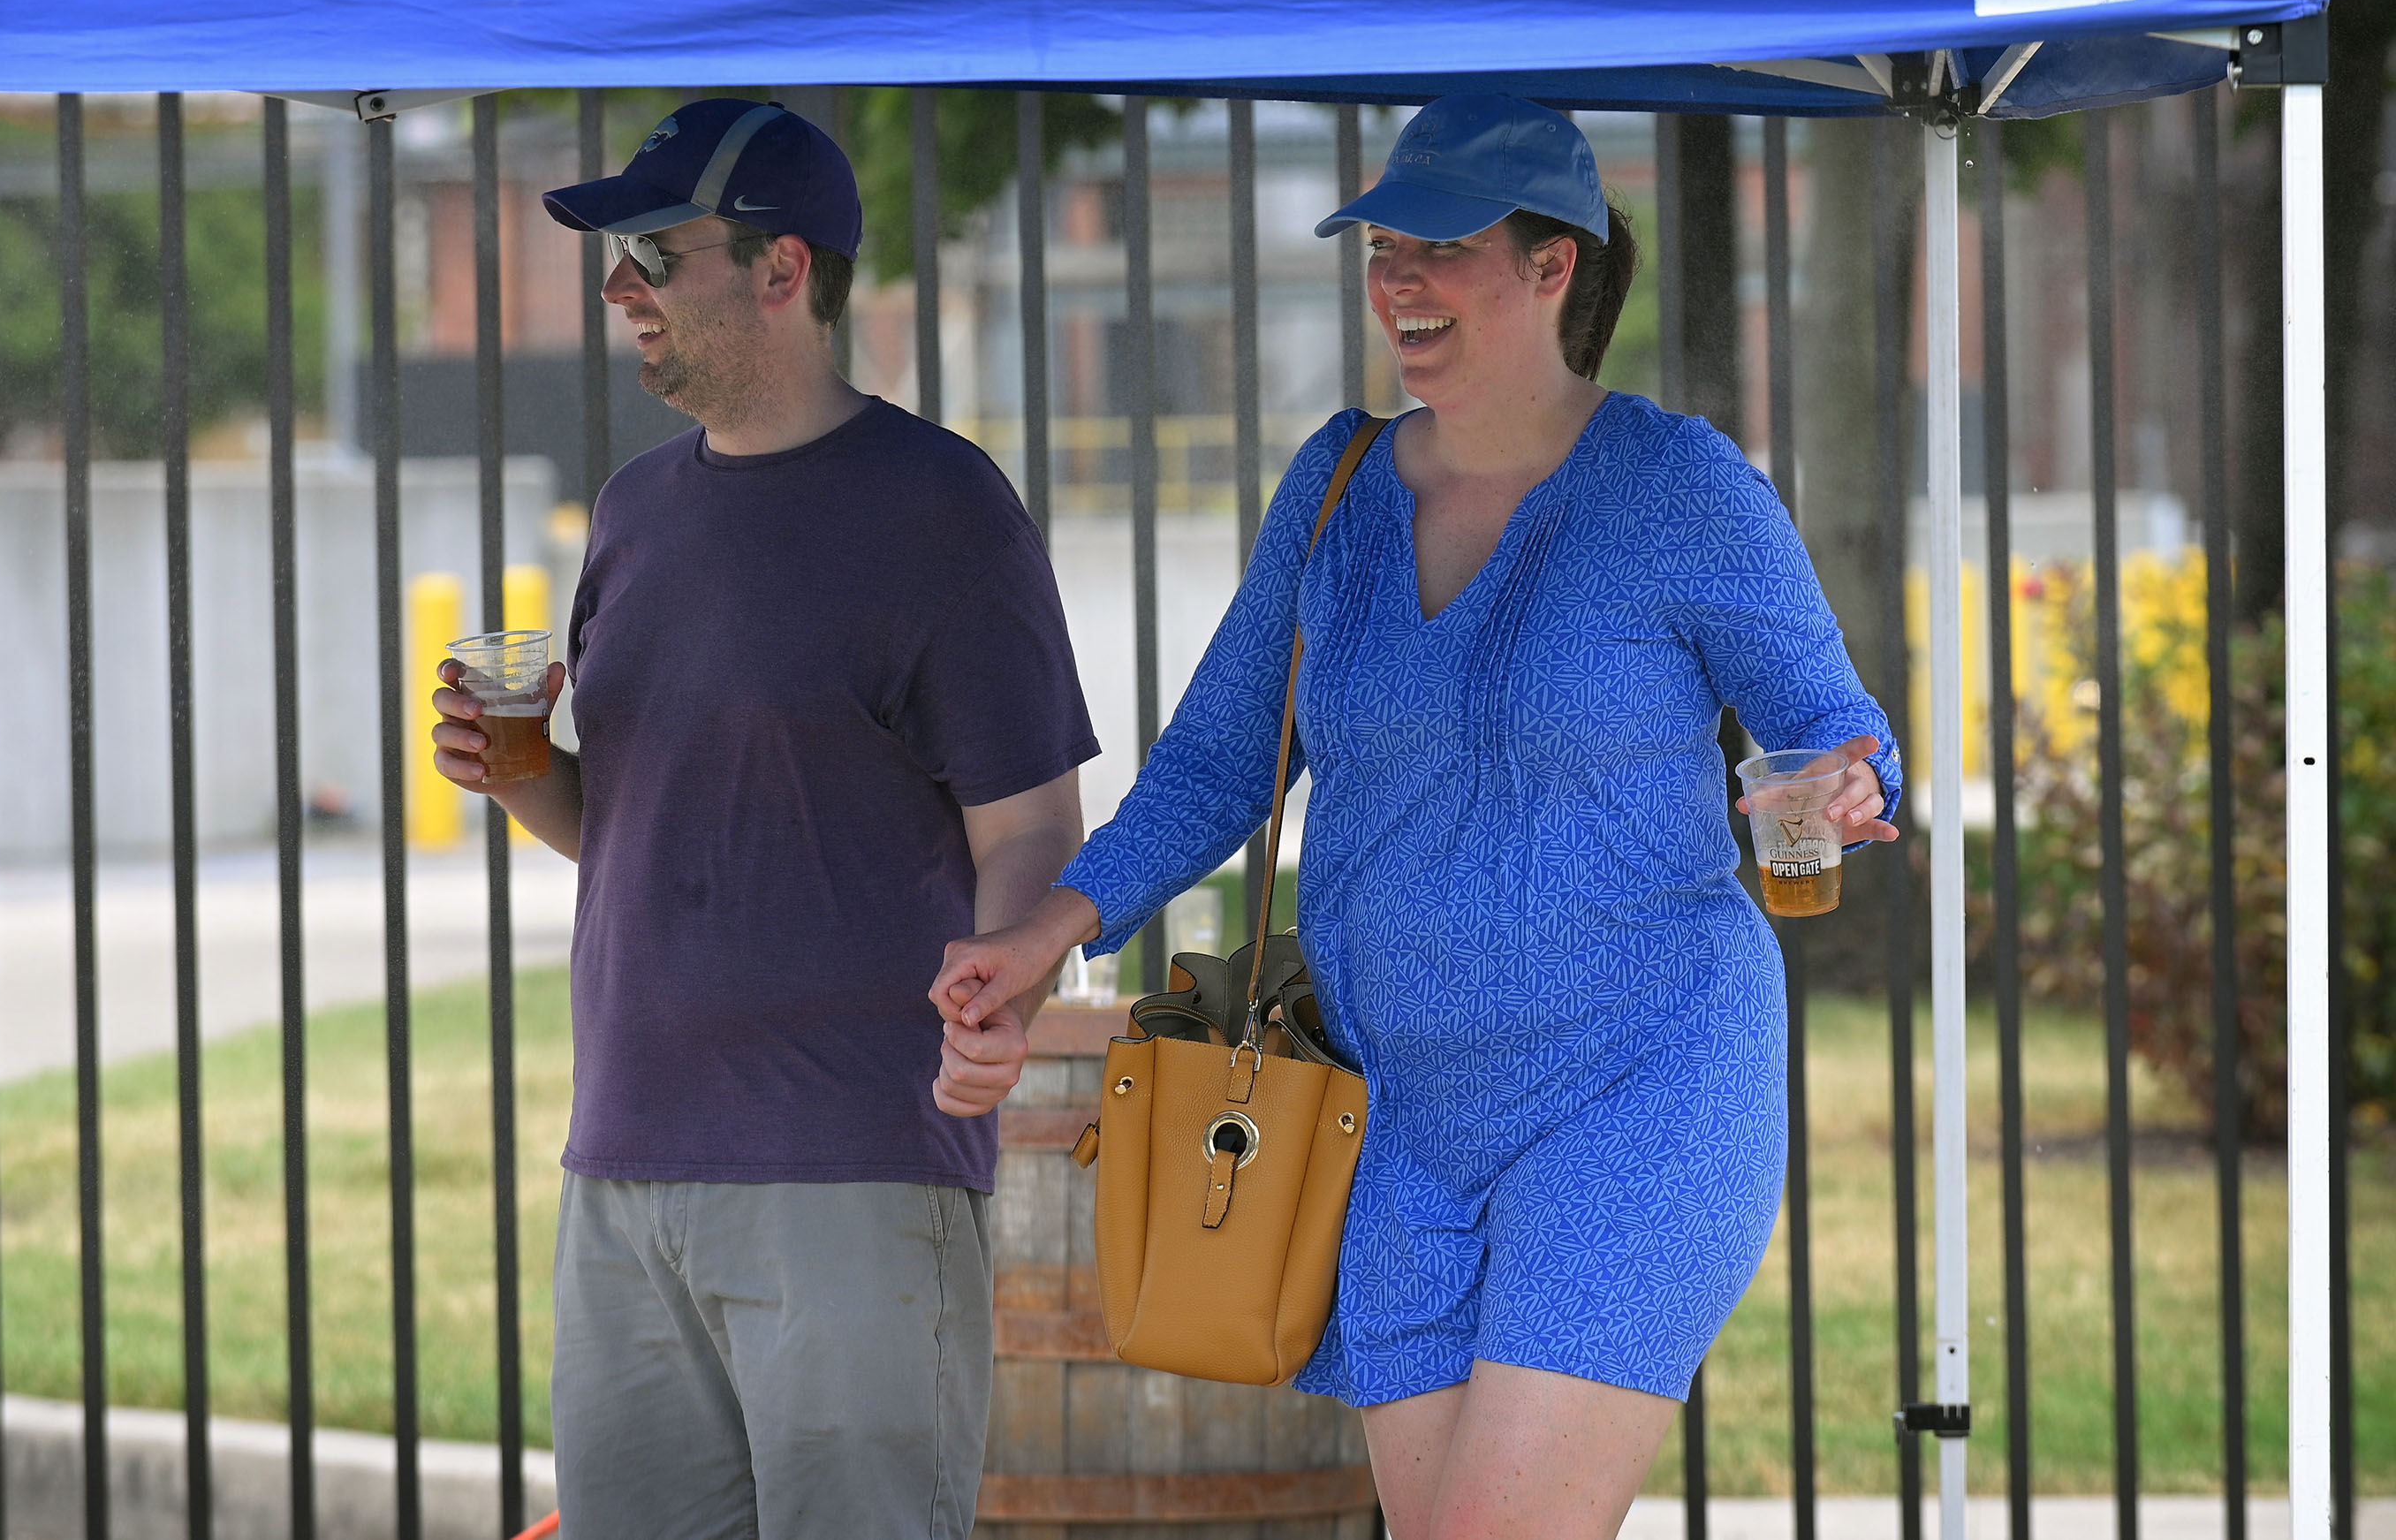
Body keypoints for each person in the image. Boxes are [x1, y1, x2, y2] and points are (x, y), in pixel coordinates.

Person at [933, 95, 1899, 1540]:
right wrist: (1047, 932)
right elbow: (1215, 763)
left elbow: (1831, 729)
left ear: (1553, 265)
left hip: (1638, 1083)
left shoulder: (1679, 486)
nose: (1396, 281)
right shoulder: (1335, 487)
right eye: (1384, 246)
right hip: (1392, 1120)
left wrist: (1842, 780)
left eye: (1437, 246)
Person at [432, 97, 1097, 1540]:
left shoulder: (944, 511)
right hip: (621, 1164)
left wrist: (1003, 991)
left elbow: (1035, 823)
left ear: (783, 270)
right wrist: (523, 766)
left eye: (657, 256)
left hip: (850, 1168)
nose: (619, 291)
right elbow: (640, 825)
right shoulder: (632, 510)